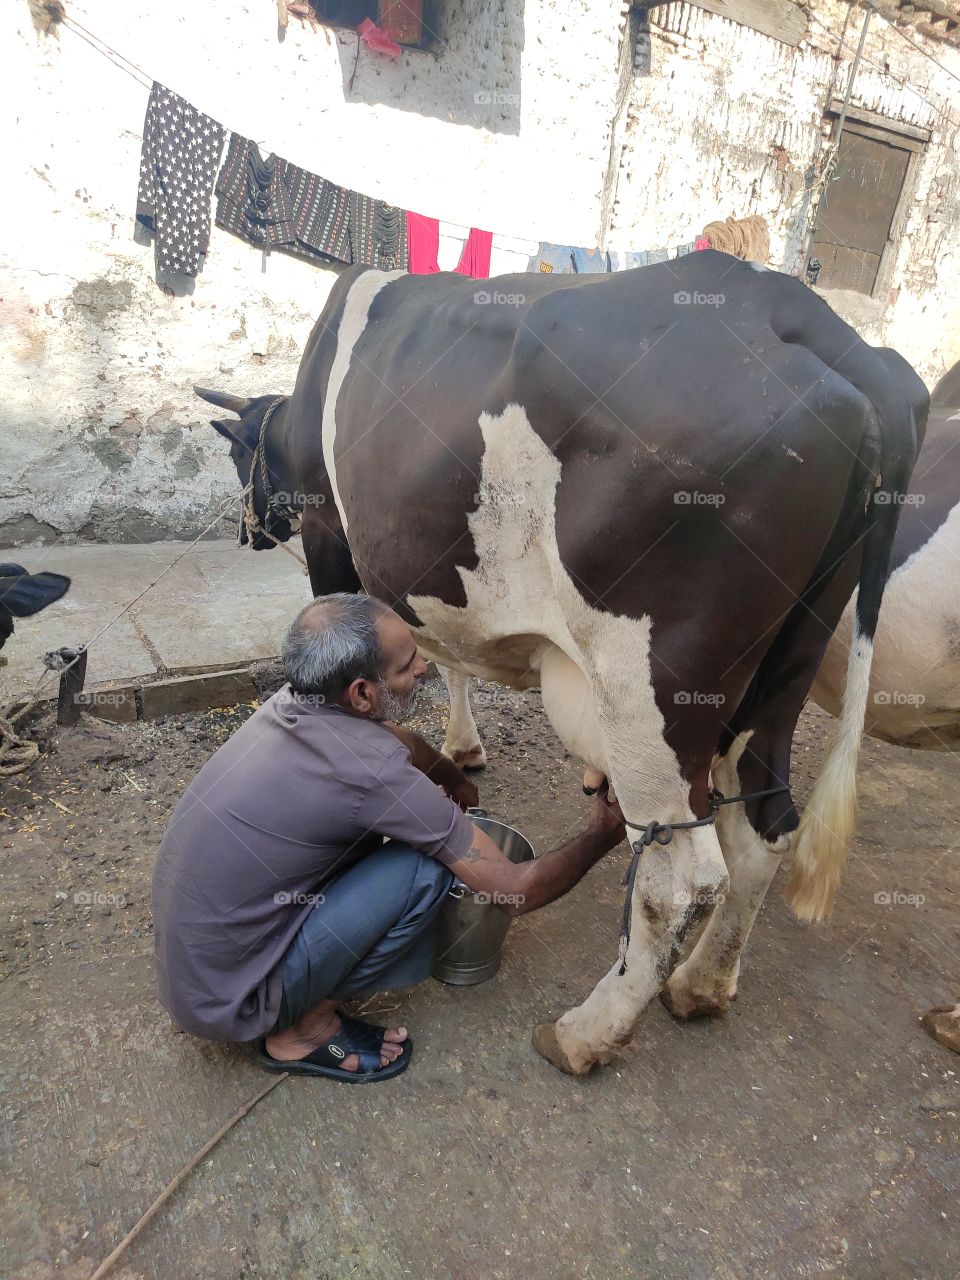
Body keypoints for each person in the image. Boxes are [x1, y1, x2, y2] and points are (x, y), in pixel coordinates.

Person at [152, 593, 626, 1082]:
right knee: (425, 869)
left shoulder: (297, 703)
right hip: (236, 1000)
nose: (424, 667)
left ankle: (295, 992)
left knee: (393, 842)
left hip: (198, 974)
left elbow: (406, 743)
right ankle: (301, 1033)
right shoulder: (373, 774)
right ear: (361, 694)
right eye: (408, 664)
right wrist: (602, 832)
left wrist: (456, 781)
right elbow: (517, 890)